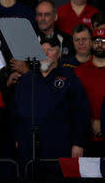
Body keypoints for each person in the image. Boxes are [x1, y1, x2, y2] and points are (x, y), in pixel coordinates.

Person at [13, 38, 90, 165]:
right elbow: (15, 112)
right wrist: (17, 138)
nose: (45, 54)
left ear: (58, 54)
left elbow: (81, 113)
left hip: (59, 146)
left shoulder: (69, 78)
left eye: (50, 50)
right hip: (29, 146)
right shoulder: (26, 80)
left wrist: (78, 143)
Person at [74, 29, 105, 157]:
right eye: (96, 40)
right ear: (91, 43)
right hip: (85, 138)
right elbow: (73, 105)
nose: (99, 44)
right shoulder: (78, 72)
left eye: (103, 41)